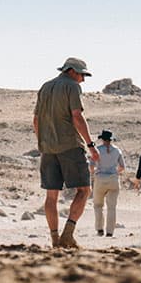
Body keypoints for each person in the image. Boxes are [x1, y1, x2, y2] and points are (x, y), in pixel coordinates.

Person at [33, 57, 100, 249]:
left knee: (51, 195)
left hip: (48, 148)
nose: (83, 80)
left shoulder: (45, 87)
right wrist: (90, 145)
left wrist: (43, 142)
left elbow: (36, 120)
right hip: (70, 146)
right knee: (84, 190)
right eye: (82, 74)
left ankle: (55, 239)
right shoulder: (71, 87)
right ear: (71, 71)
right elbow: (77, 116)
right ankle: (68, 235)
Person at [90, 130, 125, 237]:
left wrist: (94, 174)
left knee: (98, 205)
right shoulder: (117, 151)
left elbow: (91, 166)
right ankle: (110, 231)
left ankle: (99, 229)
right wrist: (115, 173)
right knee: (112, 207)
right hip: (113, 179)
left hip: (100, 178)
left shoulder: (98, 150)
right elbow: (122, 167)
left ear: (102, 139)